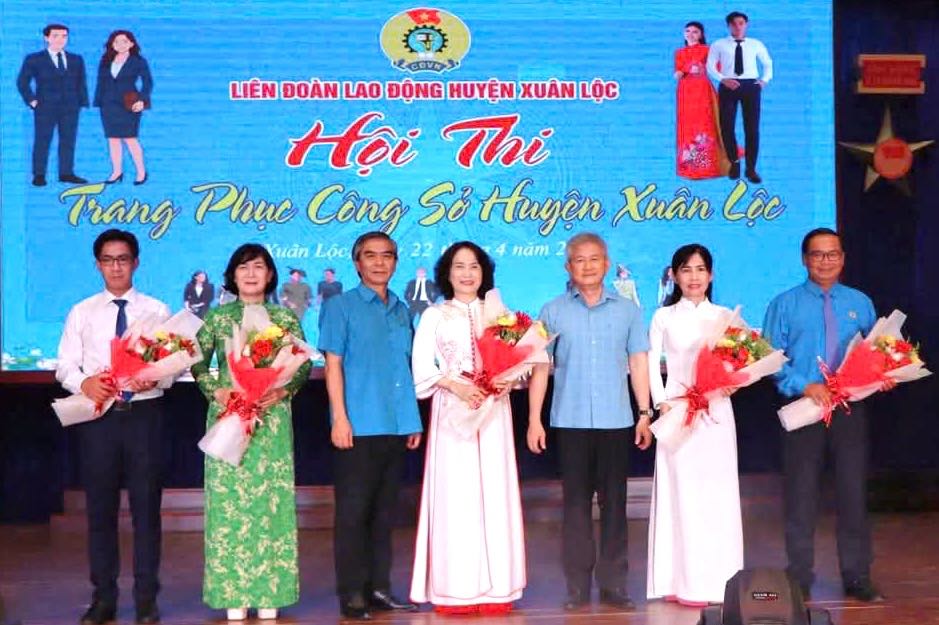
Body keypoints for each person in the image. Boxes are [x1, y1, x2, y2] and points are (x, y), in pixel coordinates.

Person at [527, 232, 653, 611]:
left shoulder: (628, 310)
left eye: (594, 259)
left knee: (615, 506)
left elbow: (638, 362)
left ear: (607, 264)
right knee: (576, 507)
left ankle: (614, 586)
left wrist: (644, 413)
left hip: (616, 421)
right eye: (579, 260)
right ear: (568, 267)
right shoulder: (552, 310)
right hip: (570, 421)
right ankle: (577, 588)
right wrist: (534, 419)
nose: (587, 266)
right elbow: (540, 366)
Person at [763, 227, 890, 603]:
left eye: (832, 253)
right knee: (801, 497)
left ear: (843, 258)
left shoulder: (859, 302)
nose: (825, 261)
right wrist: (804, 385)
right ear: (805, 260)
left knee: (853, 494)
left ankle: (857, 576)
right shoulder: (784, 304)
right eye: (817, 254)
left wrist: (884, 374)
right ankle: (799, 577)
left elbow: (876, 351)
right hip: (806, 410)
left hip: (849, 410)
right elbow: (769, 359)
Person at [191, 244, 310, 622]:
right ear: (233, 275)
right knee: (229, 506)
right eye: (243, 268)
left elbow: (304, 366)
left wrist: (283, 391)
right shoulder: (218, 317)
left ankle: (270, 593)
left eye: (258, 267)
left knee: (272, 505)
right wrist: (217, 391)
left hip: (271, 421)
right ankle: (234, 595)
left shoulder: (284, 318)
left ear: (270, 275)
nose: (251, 274)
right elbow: (196, 363)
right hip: (229, 417)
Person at [55, 229, 169, 625]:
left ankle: (146, 601)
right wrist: (84, 382)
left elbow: (175, 364)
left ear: (136, 263)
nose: (116, 267)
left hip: (145, 418)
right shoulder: (81, 312)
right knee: (100, 511)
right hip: (98, 418)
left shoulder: (157, 310)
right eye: (108, 260)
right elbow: (65, 365)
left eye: (123, 259)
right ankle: (103, 598)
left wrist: (157, 377)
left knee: (146, 511)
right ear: (98, 265)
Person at [409, 242, 525, 613]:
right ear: (447, 273)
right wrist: (456, 386)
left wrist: (508, 380)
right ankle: (455, 589)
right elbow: (421, 368)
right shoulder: (435, 315)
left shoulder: (501, 315)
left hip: (494, 412)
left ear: (484, 271)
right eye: (459, 266)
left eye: (474, 266)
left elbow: (519, 362)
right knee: (455, 497)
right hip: (453, 411)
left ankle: (497, 589)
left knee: (495, 492)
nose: (467, 273)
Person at [318, 232, 423, 620]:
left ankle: (379, 588)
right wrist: (340, 418)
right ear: (357, 263)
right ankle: (352, 593)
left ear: (396, 262)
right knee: (353, 514)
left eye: (387, 256)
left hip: (395, 425)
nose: (379, 262)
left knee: (385, 514)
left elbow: (406, 368)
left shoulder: (401, 309)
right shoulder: (339, 306)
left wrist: (411, 420)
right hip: (357, 425)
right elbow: (333, 365)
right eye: (370, 256)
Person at [646, 244, 743, 606]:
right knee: (681, 492)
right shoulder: (663, 316)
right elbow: (651, 363)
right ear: (674, 276)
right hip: (678, 412)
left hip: (716, 414)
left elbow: (739, 364)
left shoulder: (725, 317)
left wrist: (733, 383)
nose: (694, 277)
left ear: (711, 275)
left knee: (717, 493)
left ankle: (720, 581)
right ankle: (682, 580)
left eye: (700, 269)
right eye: (686, 270)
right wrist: (662, 403)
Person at [16, 23, 88, 187]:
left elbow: (81, 81)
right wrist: (32, 100)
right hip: (45, 107)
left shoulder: (76, 59)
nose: (60, 39)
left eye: (64, 36)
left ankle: (66, 173)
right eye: (55, 36)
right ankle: (39, 175)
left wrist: (81, 102)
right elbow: (22, 82)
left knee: (68, 140)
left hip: (70, 107)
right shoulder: (34, 59)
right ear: (46, 38)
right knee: (42, 140)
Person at [707, 11, 773, 183]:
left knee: (752, 128)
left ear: (746, 25)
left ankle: (751, 169)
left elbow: (767, 63)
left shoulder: (755, 44)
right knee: (726, 126)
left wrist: (764, 81)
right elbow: (710, 66)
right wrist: (723, 79)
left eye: (741, 23)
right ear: (728, 26)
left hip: (750, 86)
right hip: (728, 85)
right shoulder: (719, 44)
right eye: (734, 24)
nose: (738, 27)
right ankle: (734, 162)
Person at [93, 30, 153, 185]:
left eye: (124, 41)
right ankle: (116, 172)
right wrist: (99, 102)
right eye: (116, 42)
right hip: (108, 104)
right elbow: (101, 81)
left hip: (129, 103)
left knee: (130, 139)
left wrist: (142, 100)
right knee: (112, 139)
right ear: (112, 44)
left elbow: (147, 82)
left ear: (131, 43)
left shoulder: (138, 61)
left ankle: (141, 172)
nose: (120, 45)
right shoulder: (106, 60)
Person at [674, 21, 727, 179]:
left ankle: (706, 165)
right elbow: (678, 72)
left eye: (695, 32)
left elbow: (719, 67)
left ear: (701, 35)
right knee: (687, 125)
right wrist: (681, 71)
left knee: (704, 123)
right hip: (685, 92)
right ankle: (689, 164)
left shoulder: (707, 50)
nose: (690, 34)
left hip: (701, 90)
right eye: (688, 31)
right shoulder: (679, 52)